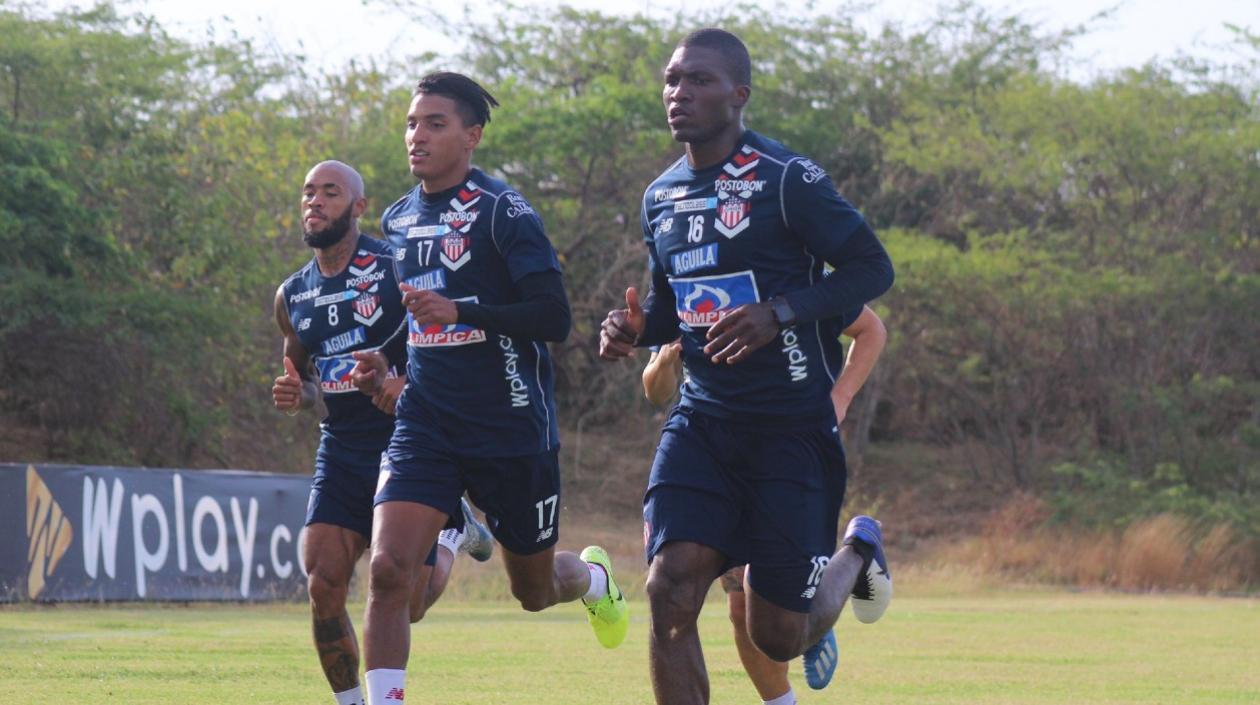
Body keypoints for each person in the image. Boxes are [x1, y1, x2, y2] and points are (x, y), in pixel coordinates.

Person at [599, 29, 895, 705]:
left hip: (790, 429)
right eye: (672, 80)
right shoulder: (660, 196)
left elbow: (873, 267)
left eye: (699, 80)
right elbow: (671, 309)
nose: (679, 93)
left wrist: (781, 312)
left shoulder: (787, 178)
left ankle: (859, 552)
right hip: (702, 424)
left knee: (779, 636)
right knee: (669, 588)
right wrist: (637, 328)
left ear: (739, 94)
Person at [351, 72, 628, 705]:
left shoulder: (505, 212)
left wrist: (463, 311)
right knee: (388, 572)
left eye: (435, 124)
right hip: (425, 424)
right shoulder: (399, 217)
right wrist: (384, 358)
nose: (417, 136)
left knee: (533, 591)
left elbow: (553, 317)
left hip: (511, 427)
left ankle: (592, 579)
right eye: (411, 124)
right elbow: (414, 316)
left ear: (472, 136)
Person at [272, 160, 493, 705]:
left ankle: (454, 532)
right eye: (308, 192)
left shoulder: (395, 266)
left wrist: (405, 381)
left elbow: (448, 342)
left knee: (407, 602)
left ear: (359, 207)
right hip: (342, 446)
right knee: (322, 582)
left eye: (330, 192)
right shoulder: (292, 295)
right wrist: (298, 394)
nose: (315, 201)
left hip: (409, 440)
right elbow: (306, 380)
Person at [642, 306, 888, 702]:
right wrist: (666, 361)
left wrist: (838, 401)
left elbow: (871, 328)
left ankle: (845, 564)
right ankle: (801, 620)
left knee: (767, 620)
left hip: (784, 452)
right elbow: (655, 390)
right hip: (709, 450)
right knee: (717, 601)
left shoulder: (793, 277)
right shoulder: (683, 282)